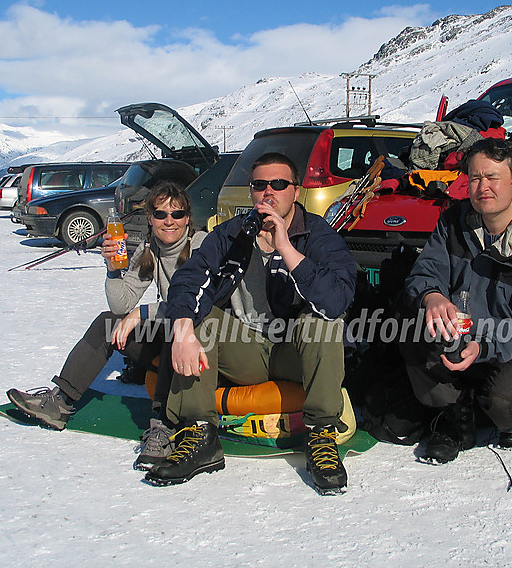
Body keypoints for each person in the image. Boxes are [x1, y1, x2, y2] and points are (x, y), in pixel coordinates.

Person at [143, 152, 357, 494]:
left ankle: (320, 435)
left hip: (295, 353)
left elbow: (336, 300)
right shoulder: (232, 233)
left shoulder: (317, 234)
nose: (268, 192)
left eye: (279, 184)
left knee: (322, 320)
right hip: (247, 350)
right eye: (260, 185)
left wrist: (285, 246)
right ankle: (200, 434)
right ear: (251, 191)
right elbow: (189, 279)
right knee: (198, 318)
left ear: (296, 191)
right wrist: (182, 328)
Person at [6, 181, 206, 471]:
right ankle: (60, 402)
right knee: (106, 323)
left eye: (177, 214)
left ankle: (163, 427)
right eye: (161, 215)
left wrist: (143, 313)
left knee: (172, 333)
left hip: (202, 338)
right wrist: (114, 270)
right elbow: (121, 306)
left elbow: (200, 307)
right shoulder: (150, 249)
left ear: (188, 217)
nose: (169, 222)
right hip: (165, 329)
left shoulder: (200, 246)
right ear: (150, 218)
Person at [399, 137, 512, 463]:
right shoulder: (453, 223)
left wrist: (485, 346)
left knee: (505, 407)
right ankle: (455, 416)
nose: (483, 187)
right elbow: (425, 273)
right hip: (466, 331)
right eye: (476, 177)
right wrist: (432, 296)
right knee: (411, 319)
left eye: (493, 178)